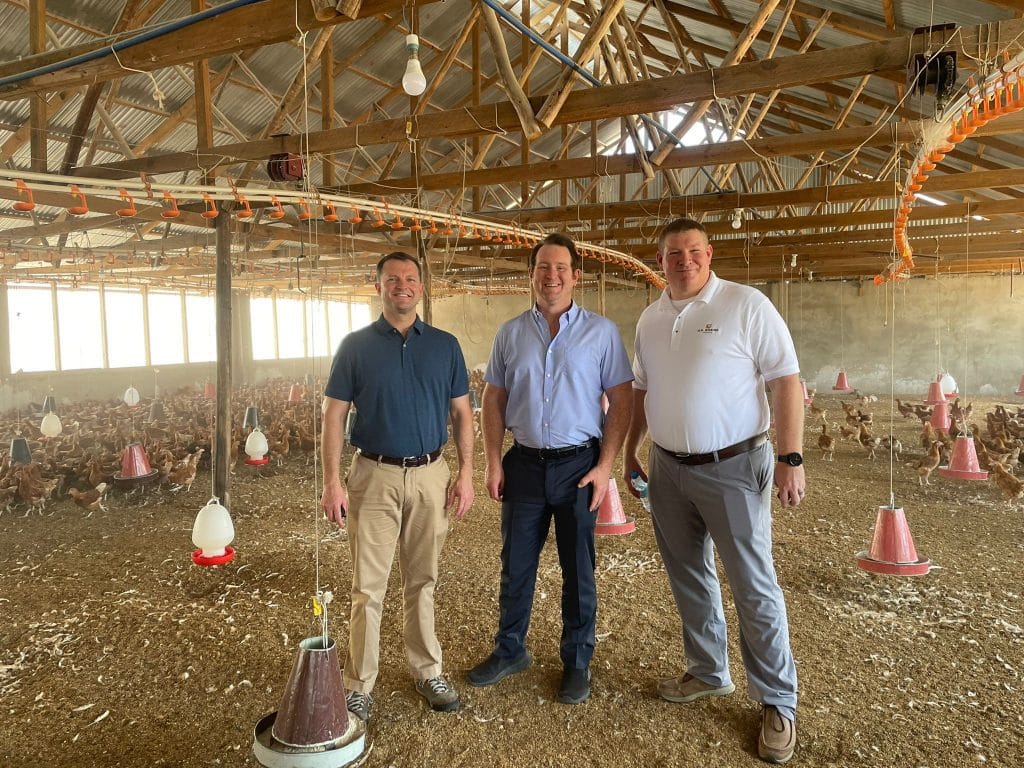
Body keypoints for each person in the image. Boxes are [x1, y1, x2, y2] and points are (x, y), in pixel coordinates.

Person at [623, 218, 804, 764]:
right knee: (689, 574)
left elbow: (786, 380)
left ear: (709, 253)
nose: (684, 261)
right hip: (668, 468)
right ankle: (708, 671)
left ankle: (777, 701)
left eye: (694, 251)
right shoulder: (651, 318)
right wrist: (633, 448)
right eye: (673, 253)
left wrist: (791, 456)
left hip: (734, 464)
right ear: (660, 261)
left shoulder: (746, 305)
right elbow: (641, 389)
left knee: (752, 582)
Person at [467, 233, 634, 705]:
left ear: (577, 275)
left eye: (561, 267)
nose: (552, 275)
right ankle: (510, 649)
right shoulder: (510, 333)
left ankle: (577, 661)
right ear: (532, 274)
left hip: (579, 465)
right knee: (515, 565)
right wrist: (492, 461)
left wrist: (605, 466)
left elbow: (621, 398)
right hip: (523, 464)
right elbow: (493, 397)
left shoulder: (601, 333)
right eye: (543, 267)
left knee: (578, 569)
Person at [321, 251, 475, 722]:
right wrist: (332, 482)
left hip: (432, 474)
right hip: (374, 473)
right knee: (368, 585)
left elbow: (463, 413)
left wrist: (466, 471)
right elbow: (333, 417)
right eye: (393, 279)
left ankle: (427, 671)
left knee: (423, 579)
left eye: (410, 279)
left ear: (421, 288)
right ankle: (358, 683)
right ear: (379, 287)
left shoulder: (445, 346)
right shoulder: (355, 346)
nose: (402, 286)